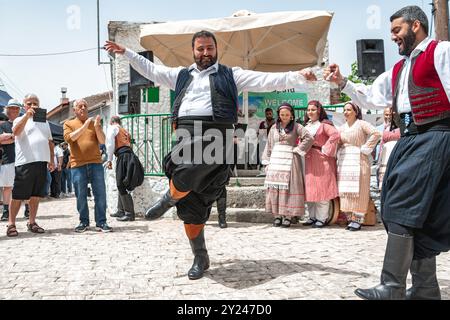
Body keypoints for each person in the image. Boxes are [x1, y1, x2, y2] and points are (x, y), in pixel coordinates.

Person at [105, 30, 316, 280]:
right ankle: (200, 256)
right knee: (192, 205)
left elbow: (266, 80)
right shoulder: (181, 75)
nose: (205, 53)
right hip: (185, 135)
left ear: (217, 50)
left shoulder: (231, 74)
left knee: (195, 174)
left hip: (217, 135)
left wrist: (298, 76)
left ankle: (168, 197)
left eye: (209, 48)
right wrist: (126, 53)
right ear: (193, 51)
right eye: (200, 49)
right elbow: (152, 71)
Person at [324, 5, 450, 300]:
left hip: (436, 134)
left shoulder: (441, 52)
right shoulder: (399, 68)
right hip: (410, 138)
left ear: (416, 26)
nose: (392, 37)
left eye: (397, 30)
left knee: (402, 205)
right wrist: (343, 82)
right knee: (410, 209)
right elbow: (371, 97)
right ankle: (425, 288)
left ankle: (392, 285)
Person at [6, 94, 54, 237]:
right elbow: (15, 132)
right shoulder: (19, 119)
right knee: (18, 195)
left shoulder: (44, 121)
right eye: (29, 103)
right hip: (25, 163)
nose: (33, 105)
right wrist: (27, 116)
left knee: (35, 195)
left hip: (41, 162)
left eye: (35, 103)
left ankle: (32, 222)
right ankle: (11, 224)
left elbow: (50, 141)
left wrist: (51, 159)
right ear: (24, 106)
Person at [63, 99, 112, 233]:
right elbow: (70, 138)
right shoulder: (69, 123)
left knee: (100, 194)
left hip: (96, 163)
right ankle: (83, 222)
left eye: (85, 106)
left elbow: (102, 141)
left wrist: (97, 127)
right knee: (81, 195)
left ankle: (101, 222)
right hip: (78, 165)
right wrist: (85, 126)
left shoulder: (93, 124)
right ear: (75, 110)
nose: (83, 108)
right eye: (80, 106)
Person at [262, 103, 313, 228]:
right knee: (275, 188)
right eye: (282, 114)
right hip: (276, 161)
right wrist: (267, 161)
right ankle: (277, 216)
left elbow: (309, 138)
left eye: (287, 114)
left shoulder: (297, 127)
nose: (284, 117)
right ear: (279, 115)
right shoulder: (274, 127)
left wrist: (298, 148)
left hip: (290, 161)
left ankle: (288, 216)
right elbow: (269, 145)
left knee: (289, 188)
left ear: (291, 116)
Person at [335, 102, 380, 231]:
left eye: (349, 110)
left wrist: (366, 147)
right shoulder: (342, 127)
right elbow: (337, 142)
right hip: (345, 160)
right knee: (346, 189)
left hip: (359, 159)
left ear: (355, 111)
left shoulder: (361, 124)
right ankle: (350, 218)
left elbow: (376, 133)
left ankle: (358, 218)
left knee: (359, 189)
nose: (346, 112)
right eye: (344, 110)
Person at [301, 101, 340, 228]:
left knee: (322, 188)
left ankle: (321, 218)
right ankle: (312, 216)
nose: (310, 112)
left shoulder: (324, 125)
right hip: (308, 159)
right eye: (308, 110)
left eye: (313, 110)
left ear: (319, 111)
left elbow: (335, 134)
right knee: (311, 189)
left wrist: (326, 149)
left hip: (321, 159)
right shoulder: (306, 125)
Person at [105, 116, 144, 222]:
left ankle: (129, 214)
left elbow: (110, 144)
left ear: (111, 122)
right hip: (129, 155)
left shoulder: (113, 128)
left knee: (120, 184)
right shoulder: (125, 131)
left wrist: (109, 159)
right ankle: (121, 210)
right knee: (121, 183)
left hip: (123, 156)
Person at [0, 99, 21, 221]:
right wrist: (15, 137)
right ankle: (6, 211)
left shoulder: (23, 123)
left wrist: (8, 138)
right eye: (12, 108)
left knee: (24, 186)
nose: (14, 110)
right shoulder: (3, 125)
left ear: (19, 110)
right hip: (8, 159)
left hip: (23, 159)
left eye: (16, 108)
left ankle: (28, 210)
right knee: (7, 187)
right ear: (7, 110)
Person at [376, 108, 400, 190]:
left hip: (394, 158)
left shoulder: (399, 127)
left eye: (390, 115)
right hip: (382, 157)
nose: (388, 117)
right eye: (386, 114)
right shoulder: (380, 127)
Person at [257, 108, 275, 175]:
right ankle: (262, 168)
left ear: (272, 114)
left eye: (270, 114)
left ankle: (271, 169)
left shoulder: (276, 123)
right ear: (265, 114)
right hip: (264, 141)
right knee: (260, 146)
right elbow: (259, 134)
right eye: (267, 114)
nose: (269, 115)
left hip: (273, 142)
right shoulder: (262, 123)